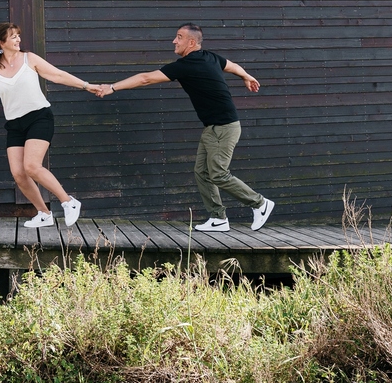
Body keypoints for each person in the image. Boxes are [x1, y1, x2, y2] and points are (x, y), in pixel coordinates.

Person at [96, 23, 274, 232]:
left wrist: (112, 87)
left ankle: (260, 203)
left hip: (224, 127)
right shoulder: (211, 57)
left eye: (178, 37)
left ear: (191, 42)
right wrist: (246, 76)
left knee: (218, 174)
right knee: (202, 172)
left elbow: (145, 78)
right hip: (213, 128)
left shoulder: (186, 65)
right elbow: (233, 66)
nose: (174, 41)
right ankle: (218, 218)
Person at [0, 22, 95, 228]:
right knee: (19, 174)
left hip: (39, 117)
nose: (18, 39)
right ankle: (44, 214)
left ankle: (69, 202)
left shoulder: (29, 59)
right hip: (14, 124)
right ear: (1, 42)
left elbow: (57, 75)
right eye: (13, 37)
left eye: (18, 35)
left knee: (31, 166)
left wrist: (86, 85)